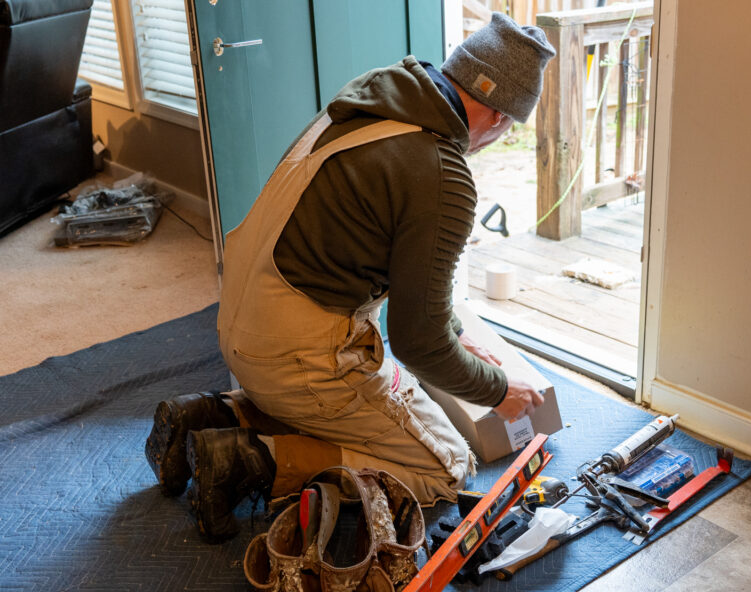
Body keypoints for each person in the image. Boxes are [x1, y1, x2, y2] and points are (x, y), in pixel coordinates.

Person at [144, 13, 556, 543]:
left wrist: (459, 338)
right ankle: (250, 461)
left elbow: (420, 288)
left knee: (389, 413)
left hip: (241, 317)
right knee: (445, 469)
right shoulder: (440, 173)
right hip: (297, 354)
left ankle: (207, 417)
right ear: (500, 118)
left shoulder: (378, 96)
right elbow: (416, 343)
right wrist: (500, 392)